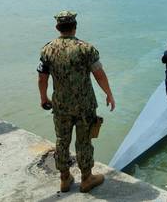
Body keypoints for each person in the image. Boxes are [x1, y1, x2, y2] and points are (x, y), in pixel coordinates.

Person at [37, 11, 116, 193]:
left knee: (62, 140)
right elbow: (99, 74)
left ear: (57, 28)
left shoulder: (47, 50)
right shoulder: (85, 49)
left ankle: (64, 179)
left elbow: (42, 78)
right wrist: (109, 94)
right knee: (84, 141)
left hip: (61, 105)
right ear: (75, 27)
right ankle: (87, 178)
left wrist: (43, 97)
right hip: (84, 105)